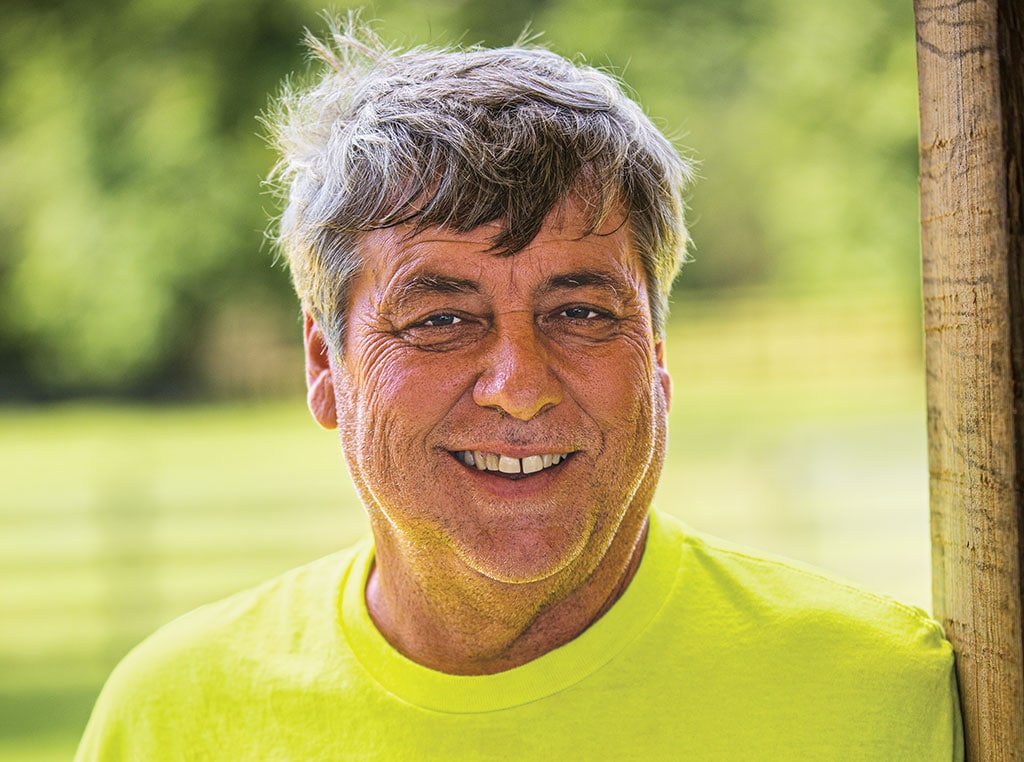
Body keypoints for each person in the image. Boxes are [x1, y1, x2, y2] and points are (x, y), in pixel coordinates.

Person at [75, 17, 963, 760]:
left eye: (579, 311)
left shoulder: (880, 696)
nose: (520, 386)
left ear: (656, 350)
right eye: (440, 320)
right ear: (326, 369)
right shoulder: (168, 718)